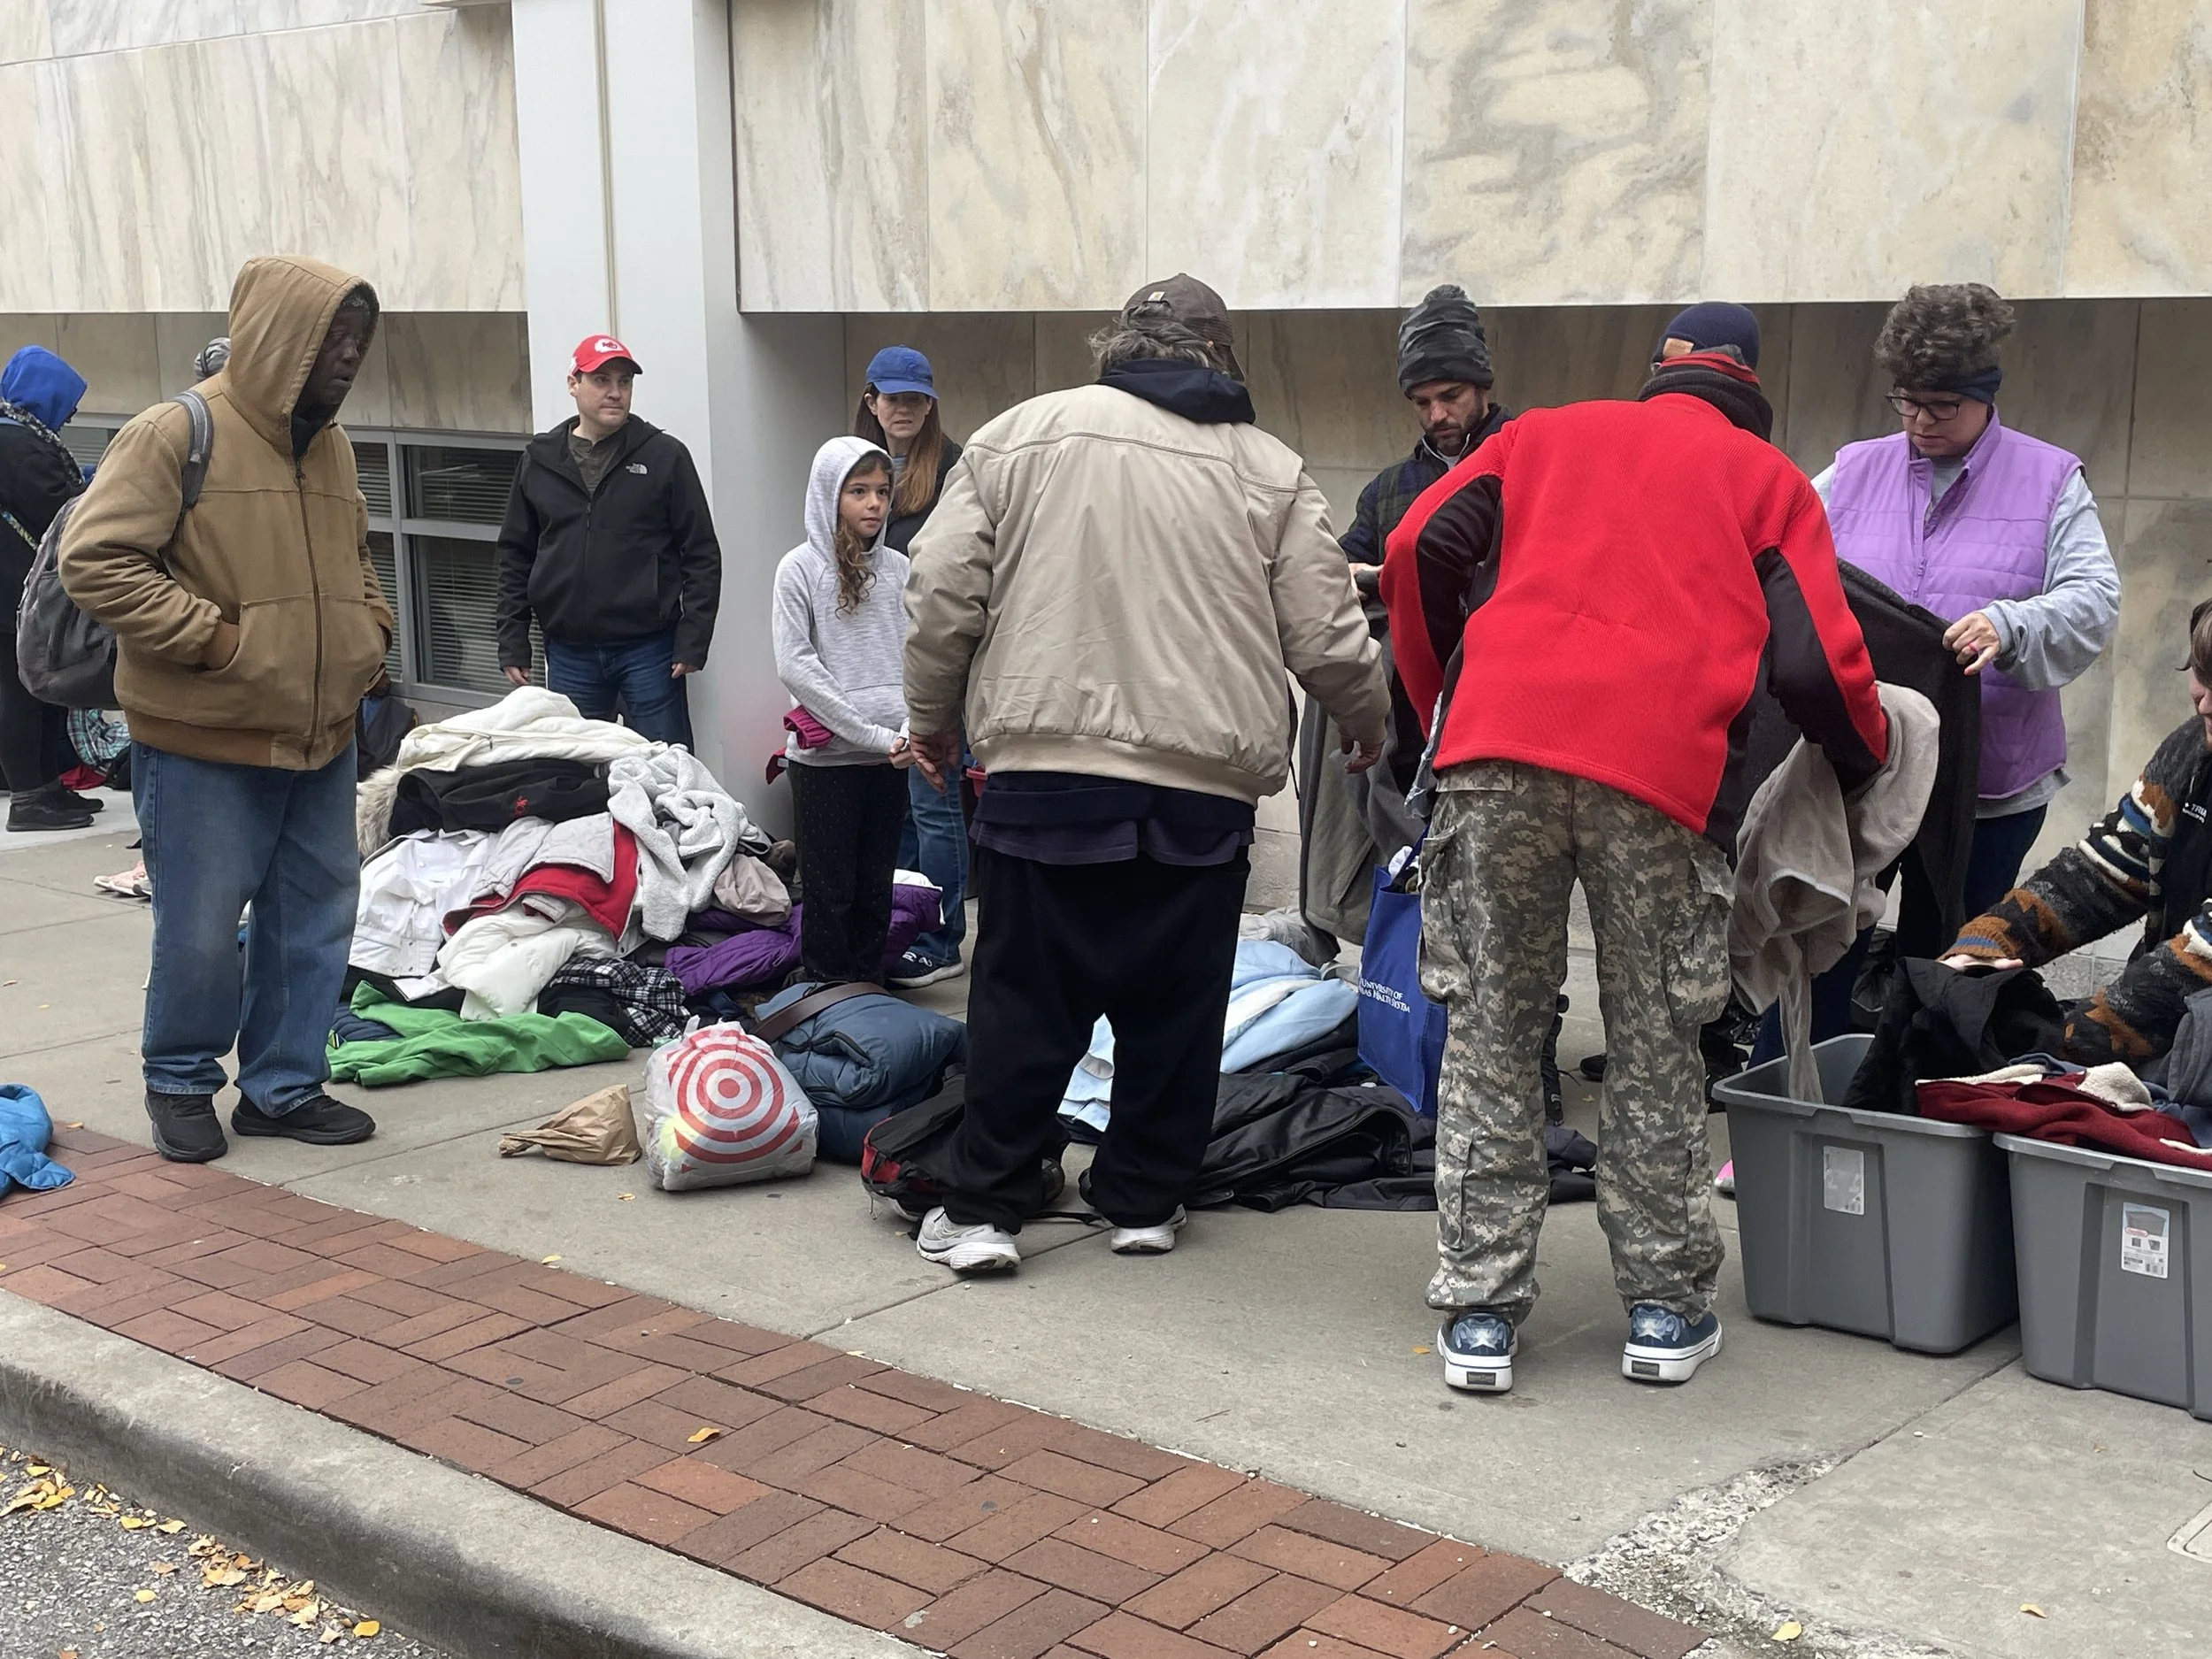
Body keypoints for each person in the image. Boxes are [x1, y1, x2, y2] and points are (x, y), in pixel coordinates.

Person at [1381, 322, 1888, 1393]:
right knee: (1657, 1041)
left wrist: (1436, 709)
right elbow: (1816, 661)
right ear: (1749, 393)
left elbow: (1416, 544)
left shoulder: (1541, 435)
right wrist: (1862, 756)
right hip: (1658, 776)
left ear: (1657, 376)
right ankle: (1662, 1308)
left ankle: (1479, 1311)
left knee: (1490, 1031)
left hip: (1496, 753)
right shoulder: (1764, 478)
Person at [903, 273, 1392, 1272]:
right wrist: (1366, 721)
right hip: (1201, 788)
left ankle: (987, 1210)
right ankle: (1141, 1199)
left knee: (1022, 999)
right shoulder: (1267, 466)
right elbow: (1326, 627)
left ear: (1116, 347)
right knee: (1176, 1006)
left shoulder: (1018, 436)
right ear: (1223, 357)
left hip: (1047, 773)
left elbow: (940, 591)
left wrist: (931, 719)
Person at [59, 255, 393, 1162]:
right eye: (333, 336)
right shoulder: (175, 432)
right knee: (202, 929)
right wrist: (217, 643)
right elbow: (95, 560)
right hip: (204, 738)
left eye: (359, 339)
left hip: (320, 734)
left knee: (312, 920)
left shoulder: (332, 446)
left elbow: (357, 551)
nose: (349, 354)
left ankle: (282, 1087)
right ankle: (179, 1079)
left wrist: (370, 631)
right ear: (282, 335)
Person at [1819, 283, 2119, 940]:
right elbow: (1783, 567)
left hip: (1991, 781)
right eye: (1907, 401)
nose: (1920, 421)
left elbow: (2094, 598)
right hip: (1861, 770)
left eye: (1942, 406)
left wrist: (2010, 626)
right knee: (1826, 949)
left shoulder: (2050, 479)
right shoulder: (1851, 472)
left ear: (1986, 395)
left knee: (1949, 955)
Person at [1941, 601, 2212, 1065]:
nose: (2204, 702)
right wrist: (1980, 949)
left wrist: (2046, 1041)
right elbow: (2100, 874)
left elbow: (2196, 966)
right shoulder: (2191, 751)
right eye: (2203, 676)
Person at [494, 334, 722, 747]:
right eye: (601, 380)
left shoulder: (665, 456)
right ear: (573, 384)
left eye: (624, 382)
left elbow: (701, 552)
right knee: (575, 768)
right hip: (569, 653)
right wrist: (513, 639)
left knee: (666, 766)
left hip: (650, 651)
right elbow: (515, 554)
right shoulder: (539, 460)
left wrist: (693, 638)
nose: (615, 392)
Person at [772, 436, 916, 985]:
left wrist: (909, 729)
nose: (874, 503)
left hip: (892, 756)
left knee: (876, 886)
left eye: (882, 490)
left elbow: (920, 655)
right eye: (858, 491)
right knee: (830, 889)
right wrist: (874, 735)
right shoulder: (799, 569)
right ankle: (830, 996)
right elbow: (796, 665)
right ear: (829, 496)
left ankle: (867, 991)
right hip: (828, 761)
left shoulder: (900, 569)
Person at [856, 346, 971, 988]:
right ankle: (899, 927)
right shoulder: (855, 463)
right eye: (892, 397)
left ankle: (941, 938)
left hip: (932, 660)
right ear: (871, 401)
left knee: (934, 804)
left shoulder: (955, 470)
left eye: (915, 399)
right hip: (872, 661)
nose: (902, 408)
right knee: (892, 809)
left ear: (930, 406)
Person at [0, 345, 97, 831]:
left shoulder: (18, 435)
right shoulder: (19, 444)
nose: (72, 414)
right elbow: (55, 510)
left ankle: (45, 788)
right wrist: (94, 489)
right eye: (68, 403)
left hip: (14, 586)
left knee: (35, 691)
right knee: (22, 692)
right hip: (13, 592)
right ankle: (29, 799)